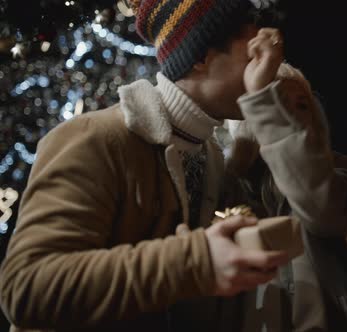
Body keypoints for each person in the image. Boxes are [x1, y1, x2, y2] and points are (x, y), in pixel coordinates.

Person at [0, 1, 290, 331]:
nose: (268, 70)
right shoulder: (94, 139)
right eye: (254, 54)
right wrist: (195, 262)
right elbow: (26, 288)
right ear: (200, 57)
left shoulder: (208, 155)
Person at [213, 61, 347, 331]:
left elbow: (318, 202)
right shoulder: (224, 193)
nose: (290, 117)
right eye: (275, 106)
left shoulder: (342, 178)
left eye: (302, 105)